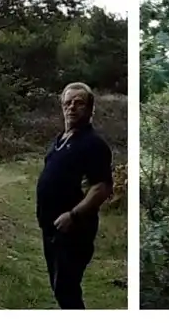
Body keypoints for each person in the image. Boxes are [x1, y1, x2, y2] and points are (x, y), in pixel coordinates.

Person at [35, 82, 114, 309]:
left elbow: (102, 187)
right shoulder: (61, 139)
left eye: (79, 103)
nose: (71, 107)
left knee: (67, 290)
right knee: (60, 287)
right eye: (67, 103)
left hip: (73, 230)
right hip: (52, 228)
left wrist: (74, 215)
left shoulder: (93, 144)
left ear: (90, 109)